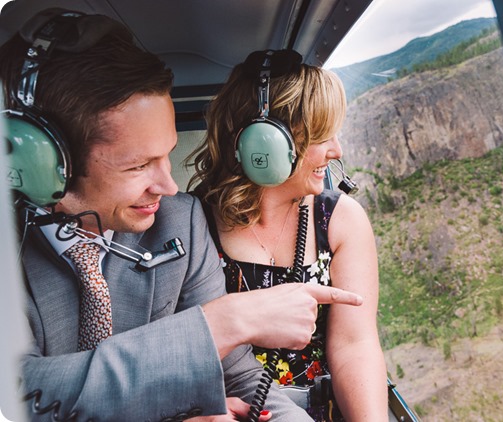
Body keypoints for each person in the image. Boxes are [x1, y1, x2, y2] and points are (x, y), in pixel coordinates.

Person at [0, 9, 364, 421]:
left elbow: (241, 380)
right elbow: (19, 396)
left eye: (167, 154)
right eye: (138, 165)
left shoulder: (181, 223)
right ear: (41, 161)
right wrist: (218, 326)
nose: (169, 187)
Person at [189, 49, 388, 421]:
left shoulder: (340, 220)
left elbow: (354, 344)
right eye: (321, 135)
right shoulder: (189, 222)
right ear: (265, 141)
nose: (336, 150)